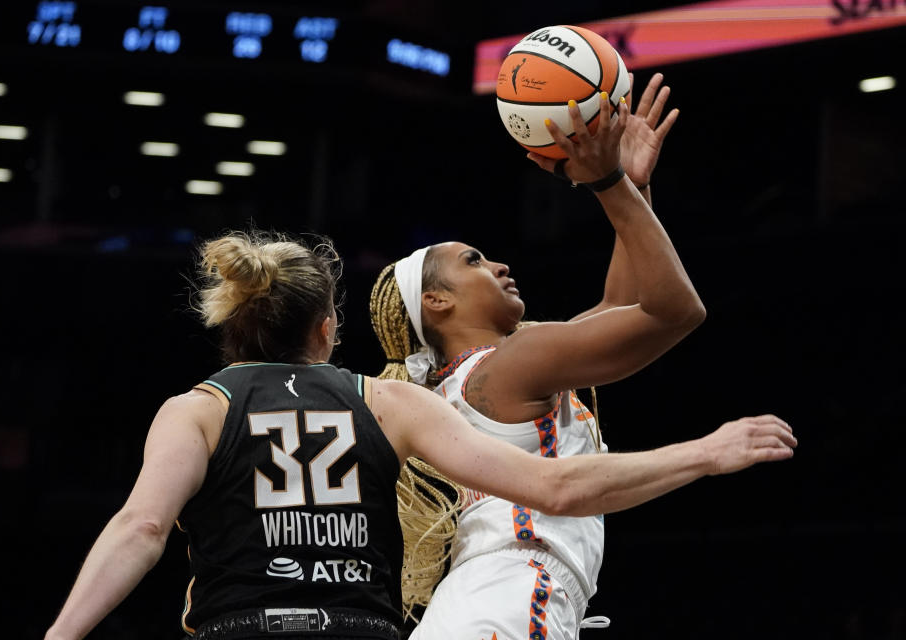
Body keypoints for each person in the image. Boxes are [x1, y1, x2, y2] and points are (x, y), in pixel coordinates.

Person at [43, 225, 795, 640]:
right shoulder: (393, 402)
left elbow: (142, 527)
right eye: (473, 257)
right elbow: (558, 485)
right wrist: (703, 452)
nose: (496, 262)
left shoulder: (197, 406)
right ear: (328, 328)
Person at [369, 74, 718, 638]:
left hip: (490, 600)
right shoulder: (509, 367)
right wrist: (606, 183)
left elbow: (622, 306)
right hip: (508, 597)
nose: (500, 264)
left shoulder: (484, 376)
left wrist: (630, 186)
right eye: (474, 260)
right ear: (436, 301)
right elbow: (674, 310)